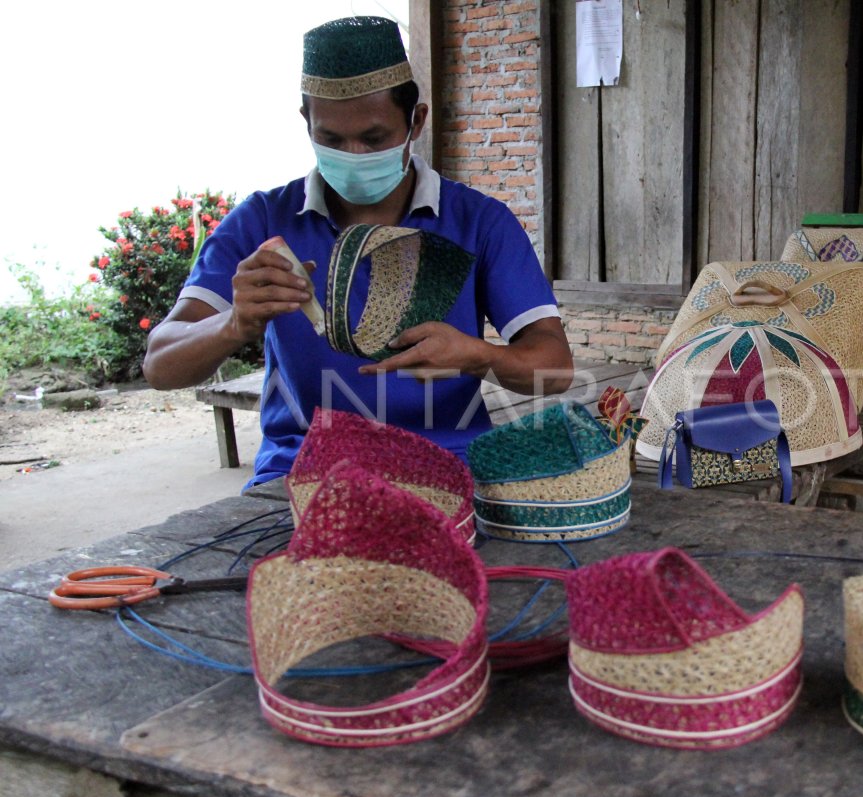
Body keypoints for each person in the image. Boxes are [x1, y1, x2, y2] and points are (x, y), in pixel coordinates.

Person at [143, 16, 573, 487]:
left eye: (373, 138)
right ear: (306, 122)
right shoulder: (264, 221)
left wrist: (476, 355)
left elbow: (554, 368)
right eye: (330, 139)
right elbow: (161, 365)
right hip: (304, 475)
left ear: (417, 121)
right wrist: (234, 323)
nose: (352, 155)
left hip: (449, 470)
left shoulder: (479, 222)